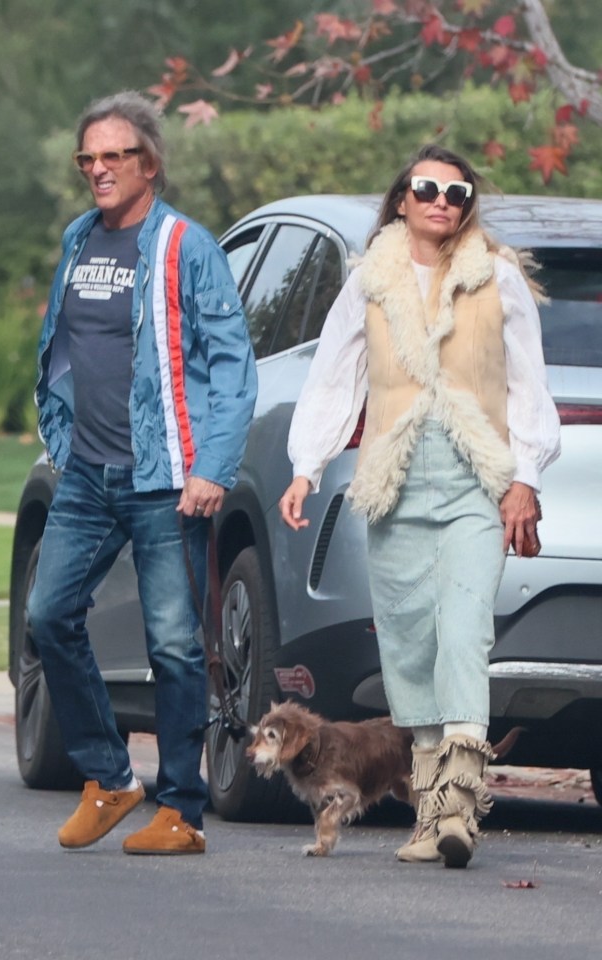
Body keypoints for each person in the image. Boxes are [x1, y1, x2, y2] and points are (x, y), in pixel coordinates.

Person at [279, 144, 560, 869]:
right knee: (410, 649)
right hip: (394, 484)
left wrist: (523, 478)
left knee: (464, 633)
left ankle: (461, 807)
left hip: (475, 480)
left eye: (456, 193)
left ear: (468, 205)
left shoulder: (495, 278)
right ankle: (428, 814)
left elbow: (528, 384)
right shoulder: (370, 281)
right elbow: (335, 376)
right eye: (426, 189)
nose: (441, 201)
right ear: (402, 198)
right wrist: (304, 468)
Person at [27, 91, 257, 855]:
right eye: (87, 158)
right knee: (47, 617)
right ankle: (111, 776)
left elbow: (232, 366)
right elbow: (65, 346)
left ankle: (183, 812)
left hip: (167, 480)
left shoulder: (186, 247)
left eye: (113, 156)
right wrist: (59, 435)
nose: (97, 169)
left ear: (149, 163)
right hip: (88, 474)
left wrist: (213, 466)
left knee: (175, 647)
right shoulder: (78, 240)